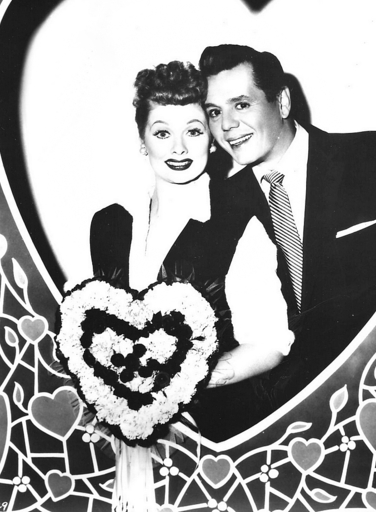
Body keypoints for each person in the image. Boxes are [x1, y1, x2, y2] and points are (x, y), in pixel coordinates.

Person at [199, 44, 376, 403]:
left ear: (282, 102)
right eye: (214, 112)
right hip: (284, 414)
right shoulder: (214, 206)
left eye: (241, 104)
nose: (226, 125)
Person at [89, 60, 293, 445]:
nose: (179, 148)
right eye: (162, 132)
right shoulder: (108, 224)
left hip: (214, 434)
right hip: (126, 430)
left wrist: (187, 383)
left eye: (194, 131)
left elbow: (269, 343)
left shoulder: (239, 224)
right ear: (142, 140)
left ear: (211, 140)